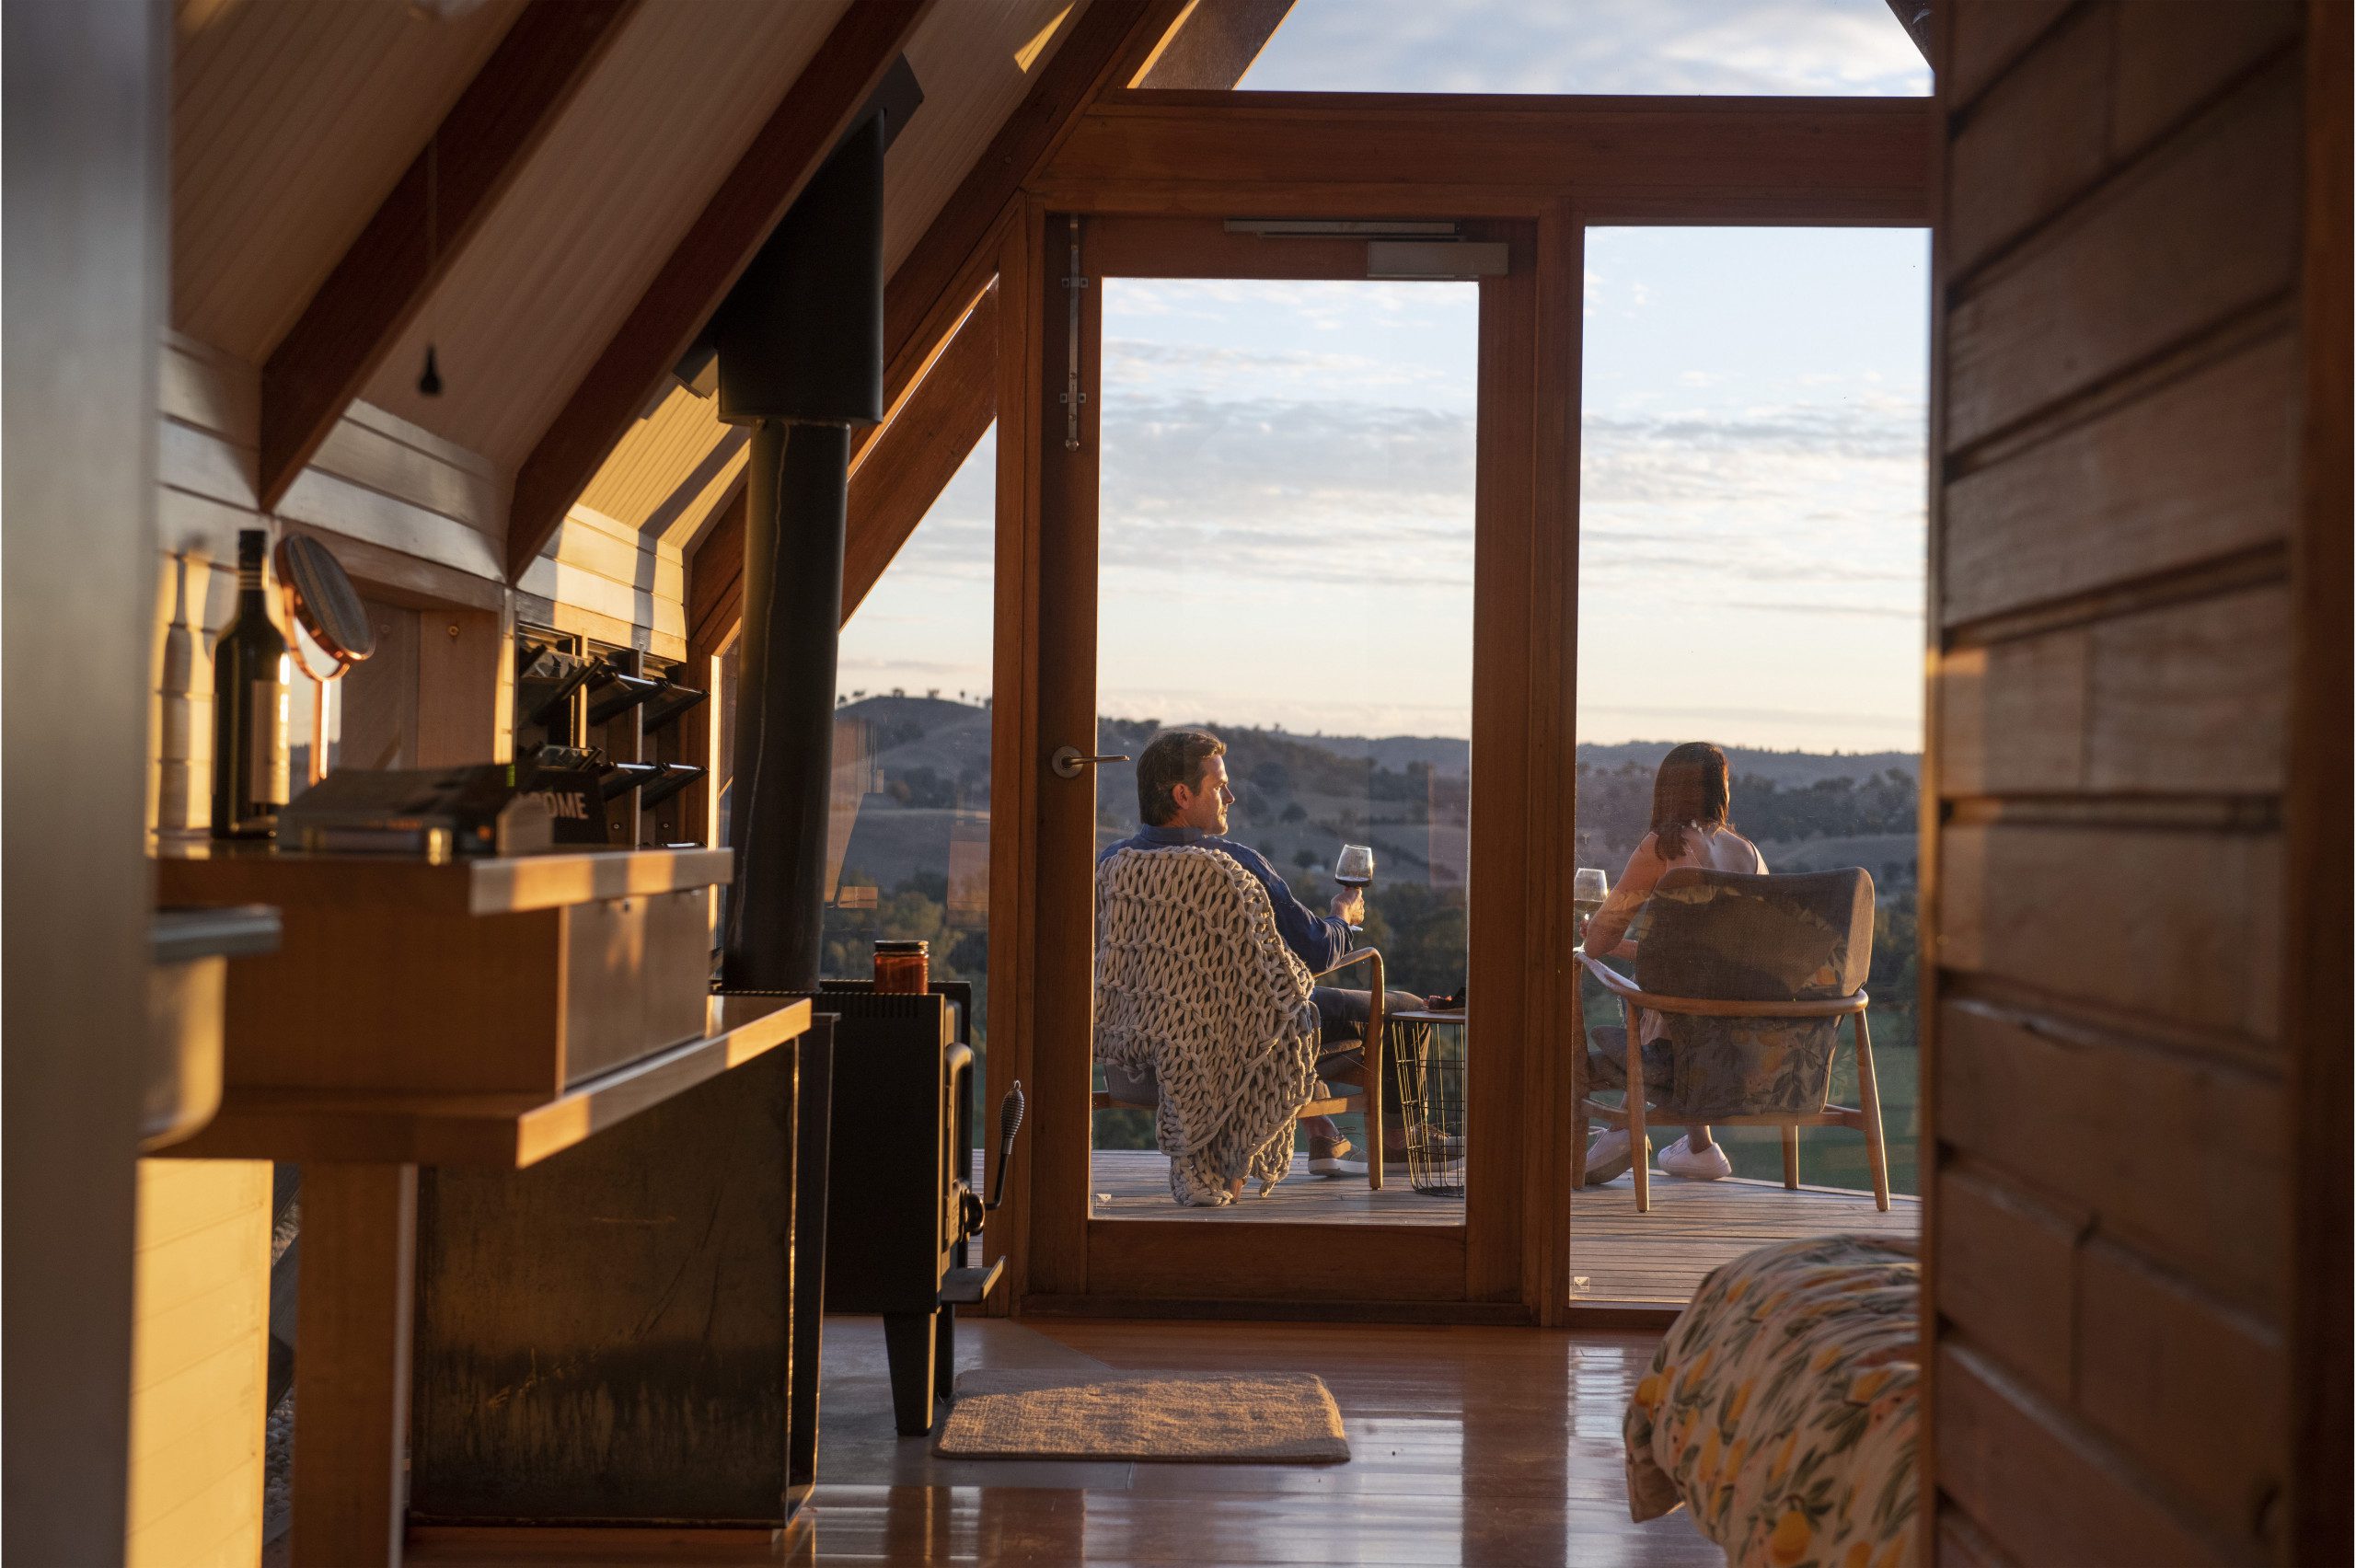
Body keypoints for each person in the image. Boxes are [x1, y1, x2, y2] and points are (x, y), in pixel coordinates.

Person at [1099, 727, 1420, 1183]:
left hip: (1139, 1043)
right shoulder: (1233, 865)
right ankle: (1400, 1143)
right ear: (1182, 794)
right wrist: (1343, 916)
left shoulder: (1113, 862)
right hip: (1232, 1033)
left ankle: (1325, 1135)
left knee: (1282, 1002)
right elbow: (1315, 951)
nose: (1229, 796)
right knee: (1401, 1007)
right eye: (1218, 786)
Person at [1578, 742, 1767, 1185]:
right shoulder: (1750, 854)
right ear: (1721, 790)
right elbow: (1715, 956)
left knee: (1648, 990)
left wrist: (1599, 937)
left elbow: (1599, 941)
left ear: (1664, 790)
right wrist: (1628, 947)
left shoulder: (1663, 847)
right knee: (1676, 983)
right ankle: (1699, 1148)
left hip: (1680, 1029)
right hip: (1742, 1025)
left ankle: (1623, 1129)